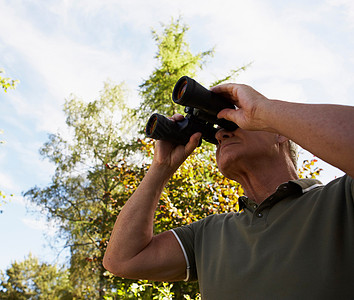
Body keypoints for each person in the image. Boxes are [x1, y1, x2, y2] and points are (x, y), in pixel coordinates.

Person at [103, 83, 354, 299]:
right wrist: (161, 168)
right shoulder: (207, 235)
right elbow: (122, 259)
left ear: (279, 134)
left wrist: (261, 110)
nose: (221, 133)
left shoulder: (340, 200)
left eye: (231, 122)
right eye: (219, 129)